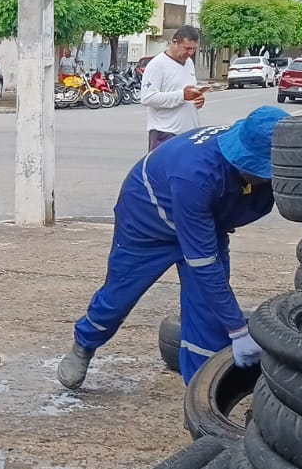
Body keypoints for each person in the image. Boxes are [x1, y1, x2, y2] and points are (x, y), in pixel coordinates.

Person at [56, 105, 287, 390]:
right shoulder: (195, 175)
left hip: (206, 221)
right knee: (119, 297)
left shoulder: (270, 167)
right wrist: (239, 330)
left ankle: (202, 399)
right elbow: (204, 265)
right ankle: (84, 343)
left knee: (209, 312)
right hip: (147, 223)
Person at [140, 25, 206, 150]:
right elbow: (147, 98)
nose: (190, 53)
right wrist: (181, 95)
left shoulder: (189, 63)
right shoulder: (157, 65)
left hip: (189, 132)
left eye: (194, 49)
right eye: (187, 48)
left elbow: (188, 91)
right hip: (165, 133)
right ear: (175, 42)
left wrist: (198, 98)